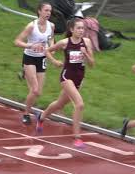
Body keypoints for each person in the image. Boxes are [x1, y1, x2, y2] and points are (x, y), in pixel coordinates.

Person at [35, 17, 95, 148]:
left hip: (79, 78)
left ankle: (41, 116)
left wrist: (86, 55)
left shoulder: (87, 42)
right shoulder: (64, 42)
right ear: (72, 29)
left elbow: (92, 64)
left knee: (59, 104)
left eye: (83, 28)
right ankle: (77, 138)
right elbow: (47, 51)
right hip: (67, 77)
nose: (81, 30)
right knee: (79, 104)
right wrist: (55, 61)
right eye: (78, 28)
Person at [14, 2, 56, 125]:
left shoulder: (51, 26)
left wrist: (51, 48)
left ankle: (24, 73)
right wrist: (31, 45)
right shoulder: (31, 26)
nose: (48, 13)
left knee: (39, 92)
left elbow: (51, 38)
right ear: (39, 11)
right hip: (30, 58)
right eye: (46, 10)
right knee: (35, 90)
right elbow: (17, 41)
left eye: (50, 11)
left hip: (42, 59)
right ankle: (26, 114)